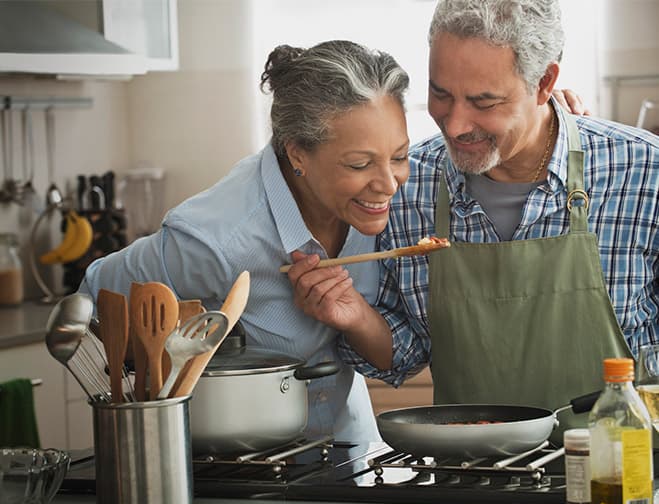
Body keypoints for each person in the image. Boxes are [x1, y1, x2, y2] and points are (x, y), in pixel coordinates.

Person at [286, 0, 659, 437]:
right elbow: (405, 354)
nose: (456, 124)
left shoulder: (643, 172)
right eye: (441, 94)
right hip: (470, 478)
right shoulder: (408, 185)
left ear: (544, 83)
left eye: (484, 101)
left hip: (617, 477)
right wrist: (354, 316)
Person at [79, 39, 411, 442]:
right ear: (298, 154)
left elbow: (393, 357)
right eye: (359, 164)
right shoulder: (215, 238)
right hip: (236, 461)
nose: (388, 183)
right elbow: (93, 301)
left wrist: (356, 315)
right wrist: (171, 367)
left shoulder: (377, 210)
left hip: (349, 444)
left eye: (399, 157)